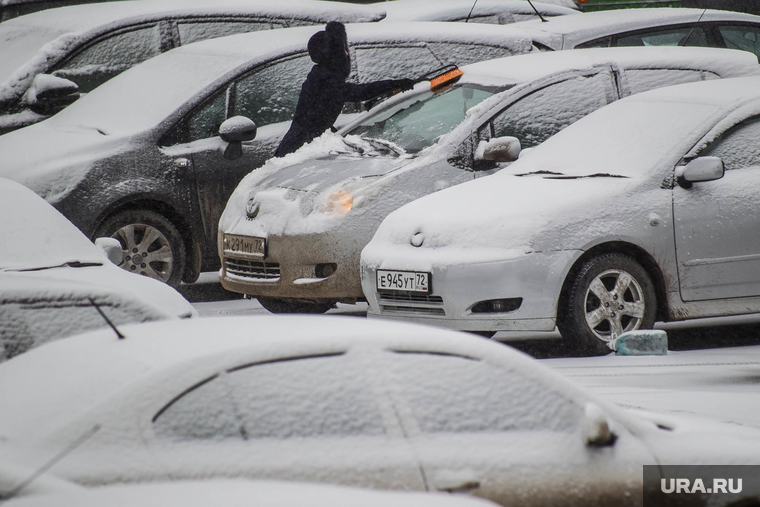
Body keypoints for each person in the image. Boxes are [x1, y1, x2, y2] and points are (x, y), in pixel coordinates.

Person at [274, 21, 415, 157]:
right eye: (343, 50)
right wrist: (396, 84)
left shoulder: (320, 76)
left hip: (303, 145)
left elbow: (317, 118)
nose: (347, 54)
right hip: (299, 151)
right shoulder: (324, 81)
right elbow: (360, 92)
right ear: (333, 56)